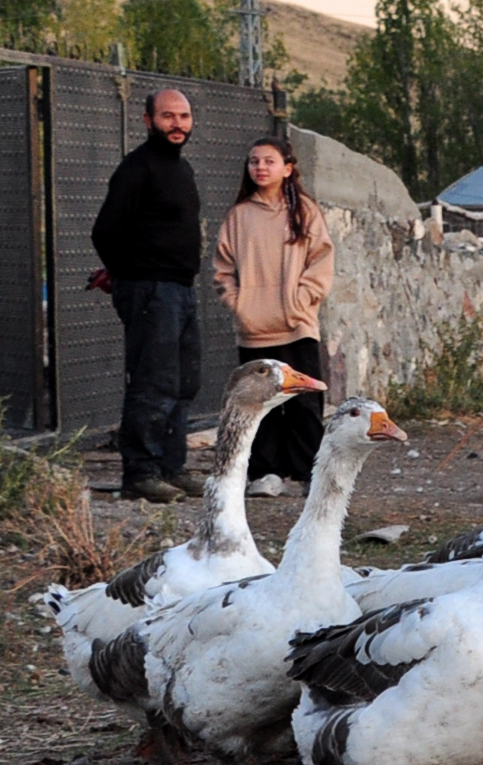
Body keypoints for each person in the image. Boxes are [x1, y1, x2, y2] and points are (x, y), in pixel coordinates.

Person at [92, 89, 204, 503]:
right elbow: (105, 232)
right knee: (152, 383)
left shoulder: (182, 168)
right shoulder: (136, 169)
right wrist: (127, 278)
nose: (177, 124)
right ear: (147, 120)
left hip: (180, 290)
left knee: (184, 384)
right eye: (168, 116)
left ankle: (172, 469)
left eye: (184, 116)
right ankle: (140, 473)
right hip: (152, 292)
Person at [214, 133, 337, 495]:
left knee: (304, 403)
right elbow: (222, 270)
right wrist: (239, 305)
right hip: (254, 328)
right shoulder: (238, 216)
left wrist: (302, 300)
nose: (260, 167)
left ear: (287, 168)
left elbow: (321, 261)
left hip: (297, 326)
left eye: (268, 161)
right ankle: (266, 474)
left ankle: (309, 475)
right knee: (260, 405)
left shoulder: (305, 212)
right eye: (254, 161)